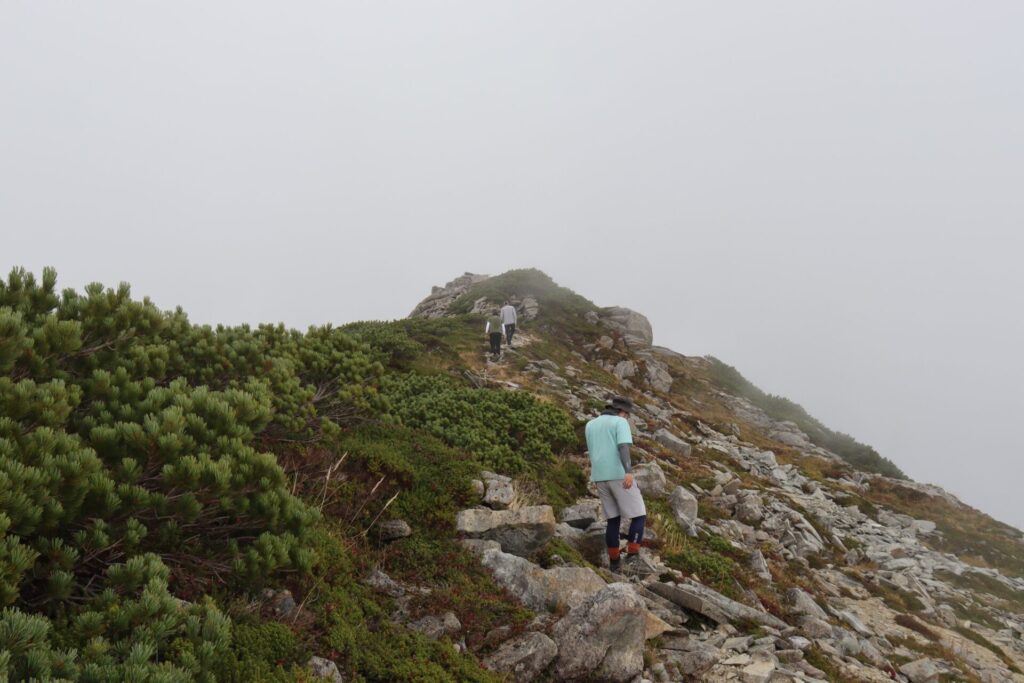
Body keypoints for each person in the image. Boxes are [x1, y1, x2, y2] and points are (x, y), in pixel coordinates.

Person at [584, 396, 647, 574]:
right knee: (639, 514)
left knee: (613, 519)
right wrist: (628, 471)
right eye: (627, 415)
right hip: (619, 475)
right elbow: (623, 447)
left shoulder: (591, 424)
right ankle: (633, 554)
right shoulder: (620, 422)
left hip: (599, 476)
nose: (627, 418)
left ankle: (614, 562)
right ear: (622, 412)